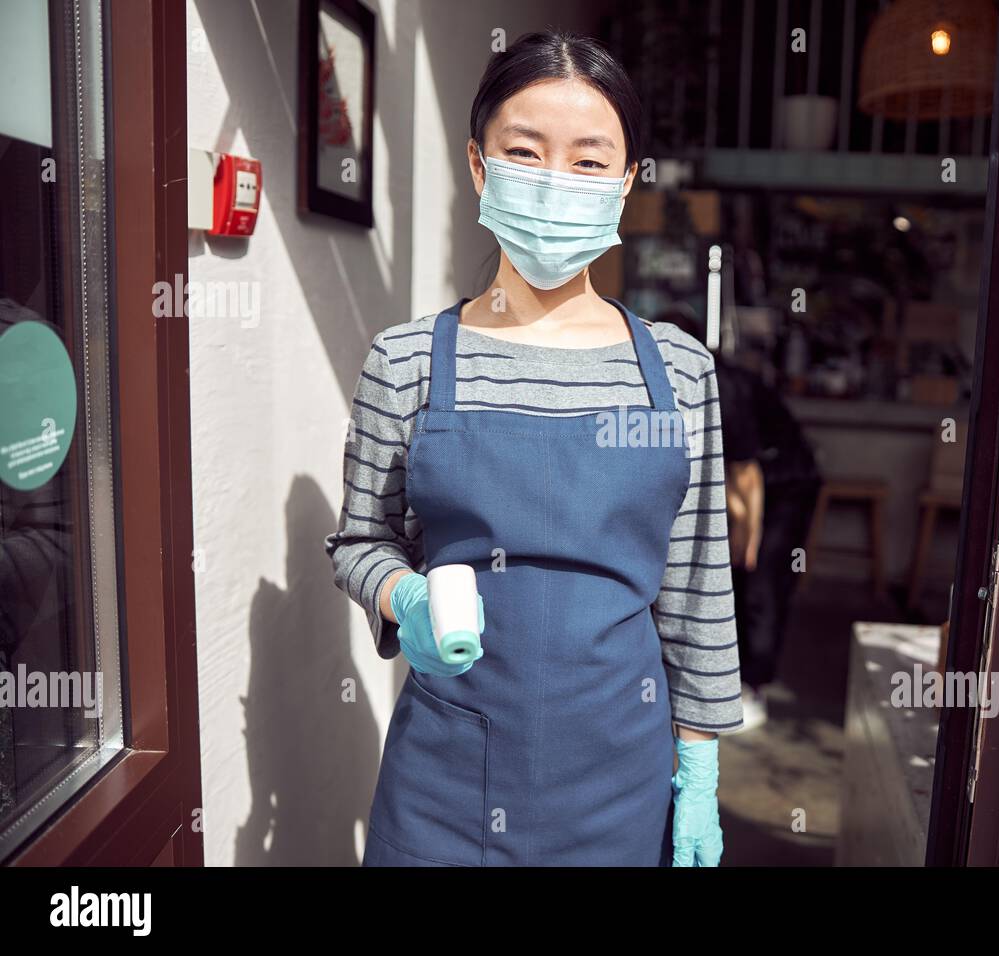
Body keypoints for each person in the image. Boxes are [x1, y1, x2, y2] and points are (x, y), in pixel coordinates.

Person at [323, 31, 741, 867]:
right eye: (524, 152)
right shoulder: (407, 361)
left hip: (620, 780)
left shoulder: (680, 372)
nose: (556, 181)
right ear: (479, 166)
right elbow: (360, 541)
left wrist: (699, 769)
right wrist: (405, 599)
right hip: (445, 780)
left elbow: (698, 589)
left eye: (589, 162)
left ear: (625, 183)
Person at [656, 308, 822, 731]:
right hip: (742, 482)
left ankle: (755, 687)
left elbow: (746, 476)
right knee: (733, 578)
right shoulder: (676, 383)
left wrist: (748, 537)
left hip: (784, 483)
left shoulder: (722, 387)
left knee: (760, 580)